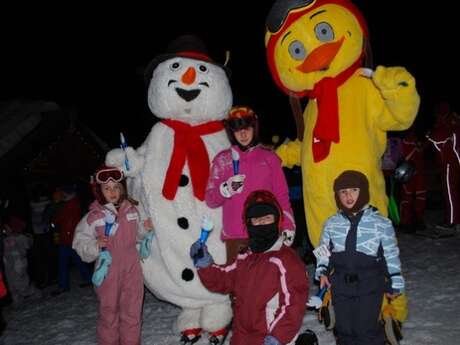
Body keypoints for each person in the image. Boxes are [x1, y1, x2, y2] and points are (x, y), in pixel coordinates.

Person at [191, 190, 309, 345]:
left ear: (277, 220)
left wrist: (277, 336)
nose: (262, 224)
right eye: (256, 220)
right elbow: (223, 279)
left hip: (271, 337)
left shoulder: (286, 260)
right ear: (248, 223)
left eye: (267, 219)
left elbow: (293, 304)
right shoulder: (244, 257)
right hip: (242, 335)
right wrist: (204, 263)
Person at [315, 170, 405, 345]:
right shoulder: (331, 223)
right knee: (344, 329)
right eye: (343, 192)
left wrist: (394, 280)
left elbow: (391, 254)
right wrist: (322, 271)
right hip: (340, 284)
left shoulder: (380, 223)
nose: (348, 196)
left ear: (363, 191)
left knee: (365, 329)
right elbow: (323, 250)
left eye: (354, 190)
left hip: (370, 283)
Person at [72, 165, 153, 345]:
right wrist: (94, 246)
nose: (112, 192)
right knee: (109, 312)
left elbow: (137, 235)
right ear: (99, 191)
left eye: (116, 187)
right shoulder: (93, 216)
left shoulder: (131, 210)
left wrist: (144, 229)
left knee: (132, 311)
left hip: (132, 268)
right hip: (107, 270)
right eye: (107, 188)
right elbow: (79, 242)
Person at [205, 106, 295, 264]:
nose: (243, 134)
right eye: (238, 130)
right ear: (231, 133)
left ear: (254, 128)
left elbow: (282, 196)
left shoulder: (269, 158)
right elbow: (211, 199)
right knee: (239, 286)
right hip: (236, 236)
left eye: (247, 128)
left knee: (268, 284)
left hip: (267, 233)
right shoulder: (223, 160)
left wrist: (288, 225)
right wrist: (225, 189)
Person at [51, 183, 92, 296]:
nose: (61, 195)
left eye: (63, 193)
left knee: (64, 262)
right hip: (69, 237)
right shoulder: (69, 204)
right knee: (75, 259)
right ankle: (87, 278)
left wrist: (66, 234)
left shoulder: (71, 204)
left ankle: (64, 285)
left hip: (69, 238)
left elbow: (65, 221)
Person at [426, 101, 460, 233]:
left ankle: (452, 221)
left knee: (451, 193)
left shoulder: (449, 123)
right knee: (453, 192)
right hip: (453, 161)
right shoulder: (455, 121)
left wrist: (429, 134)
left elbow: (437, 138)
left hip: (450, 163)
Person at [3, 215, 40, 305]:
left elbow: (28, 244)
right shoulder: (5, 238)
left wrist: (23, 237)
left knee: (20, 283)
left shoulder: (20, 237)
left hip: (18, 263)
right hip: (8, 264)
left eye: (7, 227)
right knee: (11, 283)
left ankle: (34, 292)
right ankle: (17, 300)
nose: (5, 229)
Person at [398, 128, 427, 233]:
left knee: (420, 196)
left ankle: (418, 220)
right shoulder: (405, 139)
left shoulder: (419, 138)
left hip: (418, 171)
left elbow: (421, 151)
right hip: (407, 171)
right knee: (407, 197)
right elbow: (404, 156)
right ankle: (406, 222)